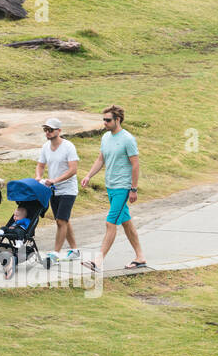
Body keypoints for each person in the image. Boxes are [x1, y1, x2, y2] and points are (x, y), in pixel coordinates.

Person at [80, 105, 147, 271]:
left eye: (108, 120)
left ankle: (98, 260)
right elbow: (100, 159)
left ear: (117, 120)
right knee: (126, 223)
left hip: (123, 187)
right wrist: (89, 175)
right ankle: (140, 257)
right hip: (110, 186)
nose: (105, 123)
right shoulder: (105, 138)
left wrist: (133, 189)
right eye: (103, 120)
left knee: (111, 222)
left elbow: (135, 165)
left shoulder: (128, 139)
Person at [35, 117, 79, 258]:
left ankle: (56, 252)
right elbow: (40, 165)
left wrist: (55, 180)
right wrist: (38, 177)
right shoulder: (45, 147)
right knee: (63, 220)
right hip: (53, 190)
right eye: (45, 130)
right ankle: (75, 250)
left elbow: (73, 170)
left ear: (59, 131)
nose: (47, 132)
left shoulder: (68, 146)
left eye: (50, 130)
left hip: (68, 189)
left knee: (61, 221)